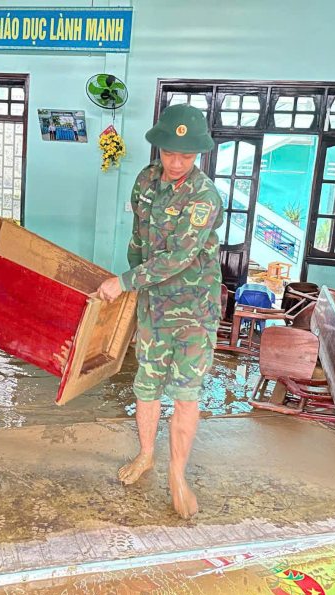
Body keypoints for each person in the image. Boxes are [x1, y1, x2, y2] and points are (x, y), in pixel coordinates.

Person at [97, 104, 223, 519]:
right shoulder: (145, 181)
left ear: (198, 154)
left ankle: (178, 473)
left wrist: (125, 282)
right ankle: (147, 455)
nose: (176, 162)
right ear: (160, 147)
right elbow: (138, 242)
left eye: (186, 155)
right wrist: (133, 292)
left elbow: (180, 257)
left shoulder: (204, 197)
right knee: (146, 386)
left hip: (194, 313)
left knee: (185, 395)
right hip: (154, 308)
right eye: (170, 152)